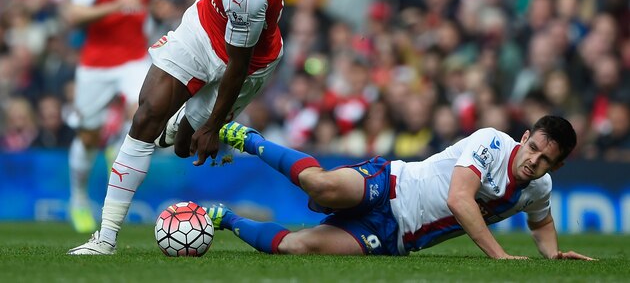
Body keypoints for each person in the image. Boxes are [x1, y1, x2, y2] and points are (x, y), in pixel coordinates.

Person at [68, 0, 322, 254]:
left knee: (187, 144)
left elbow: (236, 66)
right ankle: (104, 239)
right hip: (203, 28)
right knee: (145, 117)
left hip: (246, 64)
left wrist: (213, 126)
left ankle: (180, 130)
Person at [205, 116, 595, 260]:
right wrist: (500, 256)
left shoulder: (538, 188)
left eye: (545, 160)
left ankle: (224, 219)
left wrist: (553, 254)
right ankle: (250, 139)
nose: (533, 161)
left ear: (556, 167)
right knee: (319, 185)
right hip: (391, 184)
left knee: (296, 247)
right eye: (532, 148)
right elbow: (459, 199)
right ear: (524, 137)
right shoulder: (492, 142)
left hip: (393, 238)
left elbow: (540, 222)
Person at [63, 0, 159, 233]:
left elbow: (144, 13)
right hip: (97, 63)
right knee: (88, 135)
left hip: (134, 58)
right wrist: (115, 4)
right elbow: (74, 15)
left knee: (146, 111)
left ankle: (118, 145)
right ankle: (77, 198)